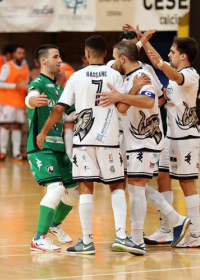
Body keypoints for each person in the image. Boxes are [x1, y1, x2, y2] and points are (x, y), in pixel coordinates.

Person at [36, 35, 149, 255]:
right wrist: (133, 89)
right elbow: (123, 109)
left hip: (83, 142)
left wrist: (43, 132)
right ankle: (121, 236)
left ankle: (87, 241)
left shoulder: (76, 77)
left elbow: (60, 109)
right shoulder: (115, 75)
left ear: (87, 54)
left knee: (86, 188)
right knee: (117, 187)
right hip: (109, 141)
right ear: (106, 54)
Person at [96, 40, 191, 254]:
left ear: (122, 58)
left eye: (114, 57)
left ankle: (137, 239)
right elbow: (121, 108)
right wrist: (127, 93)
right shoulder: (129, 80)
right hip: (135, 141)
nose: (112, 62)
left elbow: (149, 102)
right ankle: (177, 220)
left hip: (147, 140)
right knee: (137, 187)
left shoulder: (142, 78)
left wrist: (123, 94)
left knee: (136, 188)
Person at [128, 24, 200, 248]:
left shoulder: (189, 74)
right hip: (168, 136)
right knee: (162, 177)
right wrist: (142, 40)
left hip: (186, 137)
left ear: (183, 56)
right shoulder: (172, 79)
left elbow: (166, 68)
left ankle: (196, 234)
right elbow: (164, 86)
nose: (168, 55)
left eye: (172, 52)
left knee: (187, 182)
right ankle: (166, 228)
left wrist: (150, 51)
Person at [25, 44, 79, 252]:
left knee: (73, 191)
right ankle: (39, 238)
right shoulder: (38, 83)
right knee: (56, 188)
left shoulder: (59, 88)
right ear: (43, 61)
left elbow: (74, 111)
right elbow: (29, 97)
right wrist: (32, 101)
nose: (60, 60)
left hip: (58, 147)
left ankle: (55, 225)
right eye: (56, 57)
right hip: (41, 147)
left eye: (60, 56)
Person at [0, 44, 29, 161]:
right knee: (5, 126)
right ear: (14, 54)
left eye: (23, 53)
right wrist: (15, 85)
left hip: (19, 102)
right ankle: (3, 152)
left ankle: (16, 153)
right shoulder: (7, 66)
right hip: (7, 102)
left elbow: (26, 84)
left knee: (17, 127)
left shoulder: (25, 67)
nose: (21, 55)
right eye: (19, 53)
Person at [56, 52, 76, 159]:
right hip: (70, 100)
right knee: (69, 126)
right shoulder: (70, 68)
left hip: (58, 98)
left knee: (58, 126)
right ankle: (69, 154)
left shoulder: (56, 70)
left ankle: (64, 154)